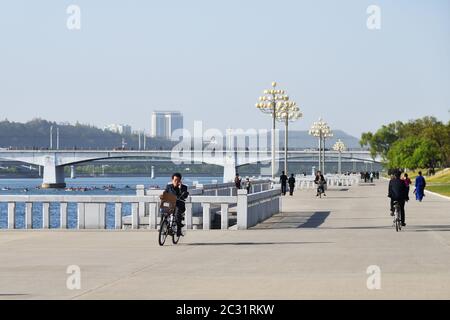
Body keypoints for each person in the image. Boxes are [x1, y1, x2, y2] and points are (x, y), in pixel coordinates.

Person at [163, 173, 189, 237]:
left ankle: (179, 230)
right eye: (175, 180)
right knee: (163, 213)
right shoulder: (169, 186)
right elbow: (165, 193)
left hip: (179, 205)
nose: (176, 181)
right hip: (170, 204)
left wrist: (180, 188)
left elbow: (185, 196)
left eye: (178, 180)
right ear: (172, 180)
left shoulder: (184, 187)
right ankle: (164, 228)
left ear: (180, 180)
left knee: (177, 215)